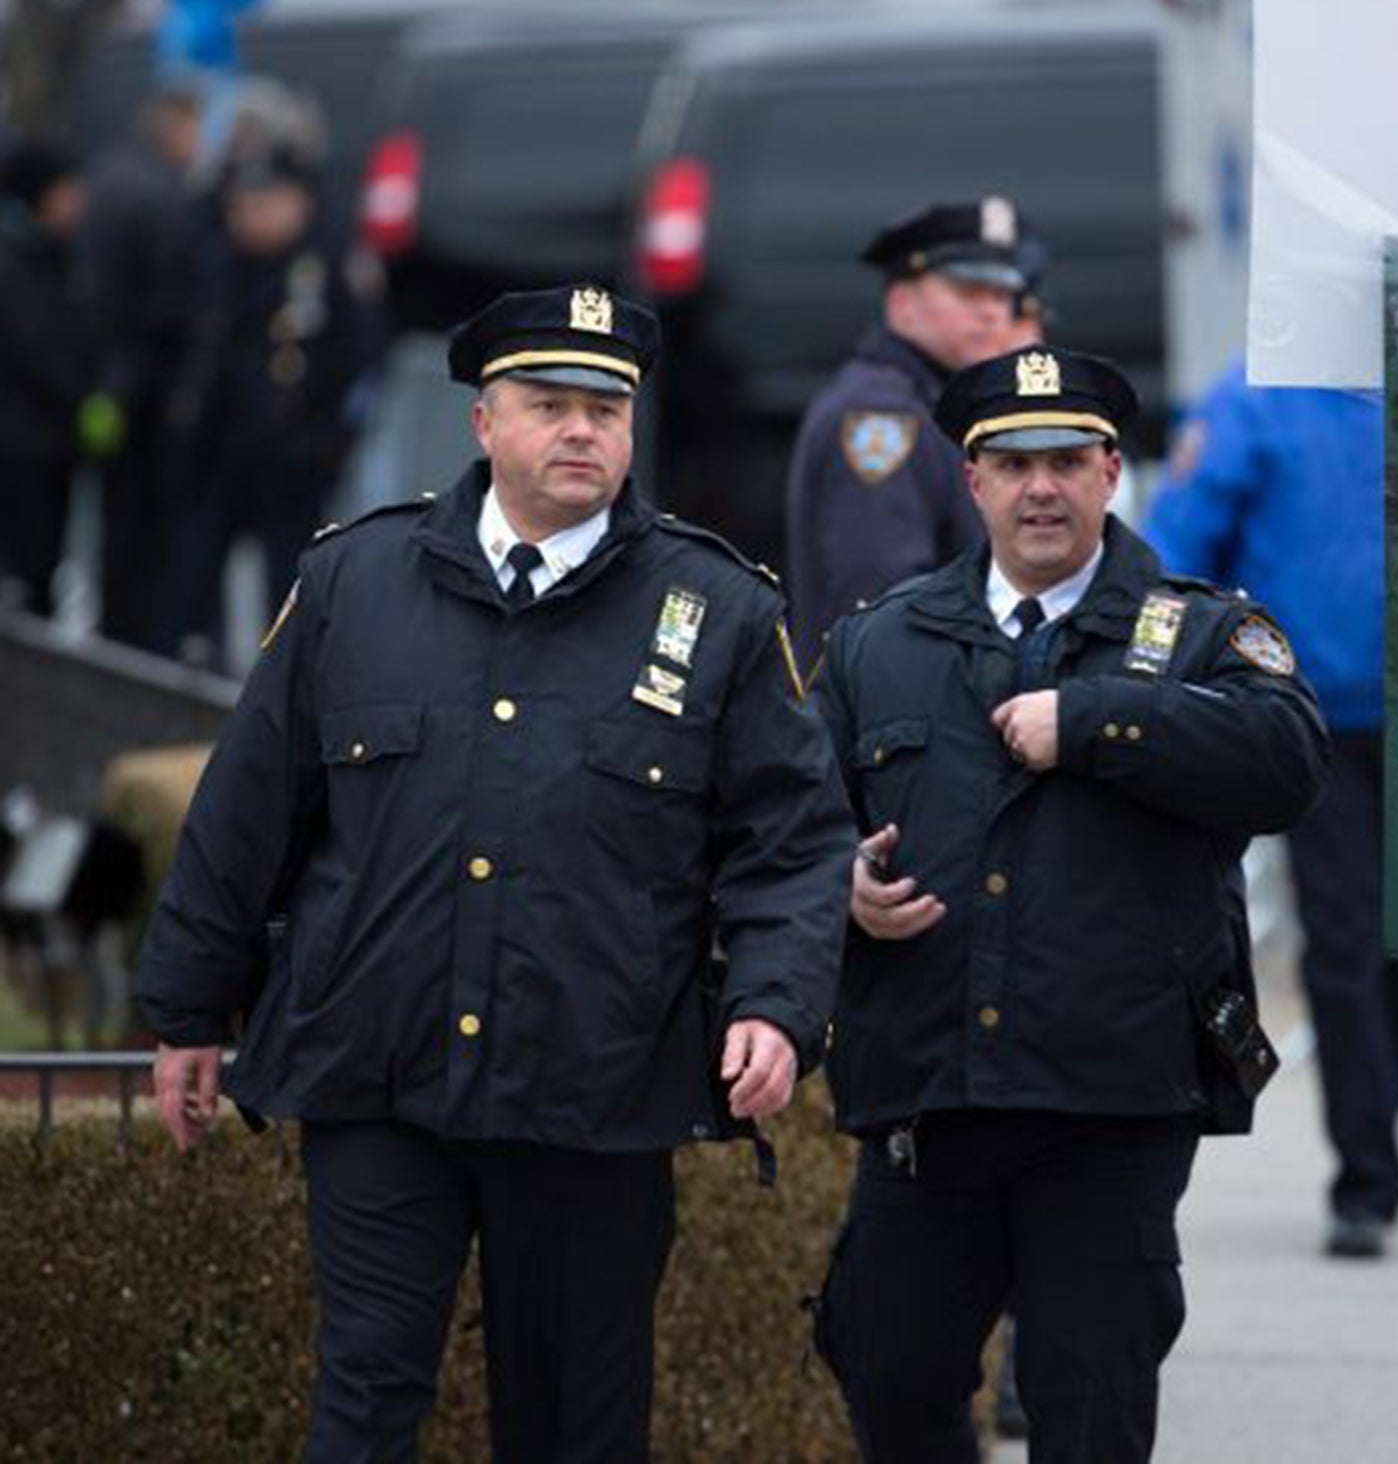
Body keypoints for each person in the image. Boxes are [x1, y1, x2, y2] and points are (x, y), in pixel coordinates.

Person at [134, 285, 853, 1464]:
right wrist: (184, 1009)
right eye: (549, 404)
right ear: (482, 422)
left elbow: (792, 842)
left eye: (606, 409)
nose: (582, 431)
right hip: (378, 1072)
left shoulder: (715, 610)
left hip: (595, 1088)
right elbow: (248, 808)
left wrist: (775, 1005)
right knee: (364, 1400)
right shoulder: (353, 583)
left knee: (576, 1420)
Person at [810, 344, 1329, 1463]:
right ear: (971, 479)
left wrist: (1095, 723)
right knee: (889, 1372)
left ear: (1108, 474)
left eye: (1066, 461)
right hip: (927, 1092)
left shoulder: (1199, 632)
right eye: (1012, 463)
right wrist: (836, 886)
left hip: (1110, 1097)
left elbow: (1288, 762)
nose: (1039, 488)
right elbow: (791, 822)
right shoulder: (879, 639)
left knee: (1085, 1401)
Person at [1144, 361, 1398, 1259]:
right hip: (1309, 718)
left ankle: (1373, 1111)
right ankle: (1366, 1176)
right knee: (1346, 943)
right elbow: (1180, 549)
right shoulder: (1256, 399)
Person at [153, 120, 370, 666]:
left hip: (295, 452)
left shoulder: (327, 263)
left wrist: (330, 440)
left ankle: (289, 673)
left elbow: (361, 357)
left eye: (269, 203)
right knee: (193, 570)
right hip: (218, 446)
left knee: (291, 578)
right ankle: (189, 659)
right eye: (245, 205)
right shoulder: (214, 259)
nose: (255, 217)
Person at [784, 197, 1030, 671]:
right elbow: (883, 605)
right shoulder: (882, 416)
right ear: (902, 302)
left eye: (1001, 296)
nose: (991, 313)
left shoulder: (937, 404)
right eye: (968, 291)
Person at [80, 84, 204, 645]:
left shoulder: (103, 178)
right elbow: (167, 308)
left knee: (111, 526)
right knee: (146, 532)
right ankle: (137, 642)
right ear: (176, 128)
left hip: (98, 377)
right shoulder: (164, 197)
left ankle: (109, 634)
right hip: (147, 392)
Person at [0, 140, 97, 617]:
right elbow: (33, 346)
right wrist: (82, 394)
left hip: (53, 440)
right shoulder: (16, 260)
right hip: (22, 443)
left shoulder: (64, 254)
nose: (79, 200)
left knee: (46, 566)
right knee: (26, 566)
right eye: (68, 190)